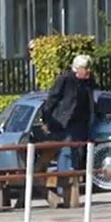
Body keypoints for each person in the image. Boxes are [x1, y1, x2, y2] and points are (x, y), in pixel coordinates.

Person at [42, 54, 97, 193]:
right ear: (77, 68)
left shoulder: (88, 81)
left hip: (81, 123)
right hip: (65, 123)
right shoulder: (65, 79)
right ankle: (64, 188)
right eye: (85, 68)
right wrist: (46, 119)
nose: (88, 71)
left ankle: (72, 187)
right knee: (66, 152)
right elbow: (52, 99)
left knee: (78, 153)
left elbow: (91, 101)